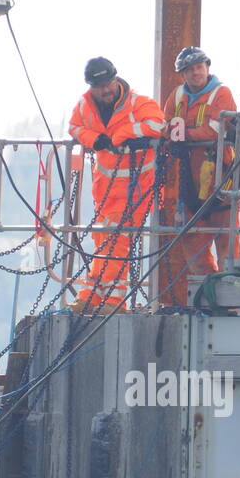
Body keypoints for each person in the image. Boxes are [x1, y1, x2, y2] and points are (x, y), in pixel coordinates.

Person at [68, 57, 166, 312]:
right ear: (91, 87)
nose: (105, 90)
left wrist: (122, 135)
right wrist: (95, 140)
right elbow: (74, 128)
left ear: (115, 79)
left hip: (137, 188)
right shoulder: (85, 105)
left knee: (117, 239)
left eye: (108, 83)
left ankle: (113, 299)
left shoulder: (138, 103)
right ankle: (92, 294)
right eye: (99, 86)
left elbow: (157, 124)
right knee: (103, 237)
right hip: (105, 189)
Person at [158, 47, 238, 306]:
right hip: (189, 183)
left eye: (200, 67)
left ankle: (231, 298)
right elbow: (167, 124)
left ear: (207, 67)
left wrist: (185, 136)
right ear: (182, 74)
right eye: (190, 69)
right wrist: (173, 137)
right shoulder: (178, 96)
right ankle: (210, 295)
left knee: (226, 237)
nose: (196, 72)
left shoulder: (221, 94)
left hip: (220, 177)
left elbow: (217, 129)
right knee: (192, 241)